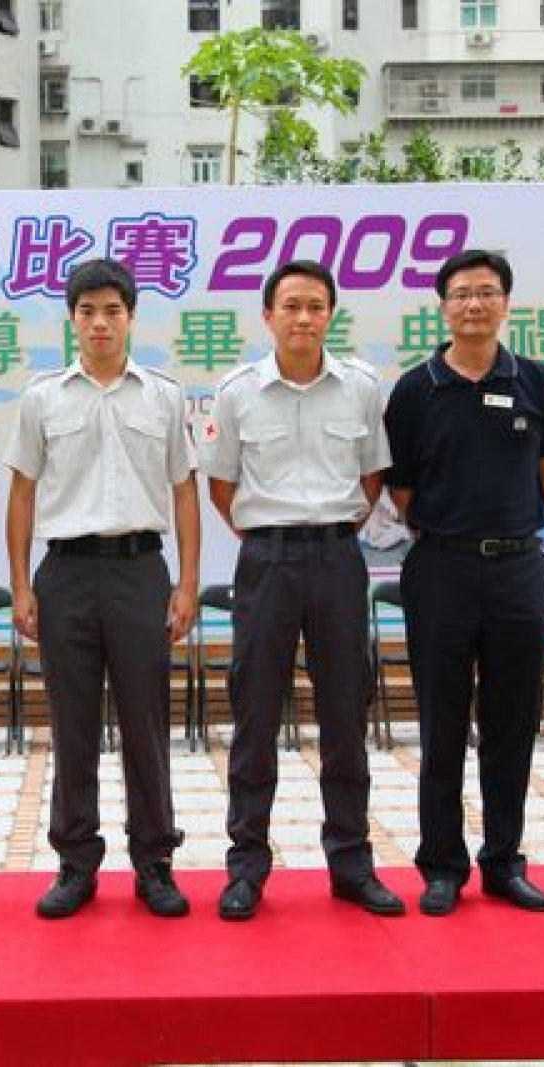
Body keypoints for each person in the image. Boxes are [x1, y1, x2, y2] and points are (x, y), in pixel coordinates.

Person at [202, 260, 403, 922]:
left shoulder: (360, 388)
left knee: (345, 714)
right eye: (290, 306)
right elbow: (222, 486)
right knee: (255, 715)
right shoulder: (237, 392)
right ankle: (246, 867)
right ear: (268, 315)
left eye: (316, 306)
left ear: (330, 314)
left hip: (338, 559)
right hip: (266, 561)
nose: (303, 318)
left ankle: (351, 864)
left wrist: (328, 531)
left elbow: (372, 477)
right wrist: (272, 534)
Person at [5, 258, 201, 919]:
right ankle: (75, 862)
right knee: (73, 723)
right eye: (87, 311)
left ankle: (154, 861)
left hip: (140, 571)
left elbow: (183, 490)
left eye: (112, 311)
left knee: (146, 720)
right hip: (64, 574)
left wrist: (187, 583)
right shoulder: (43, 398)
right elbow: (22, 492)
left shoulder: (163, 396)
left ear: (131, 317)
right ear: (72, 319)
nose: (100, 323)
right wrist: (19, 585)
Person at [382, 248, 544, 917]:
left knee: (511, 723)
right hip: (442, 569)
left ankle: (503, 862)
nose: (474, 304)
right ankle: (441, 866)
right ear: (443, 306)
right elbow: (402, 489)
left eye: (487, 292)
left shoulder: (536, 381)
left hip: (519, 569)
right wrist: (453, 531)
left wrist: (510, 526)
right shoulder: (415, 389)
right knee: (441, 723)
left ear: (505, 303)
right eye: (461, 293)